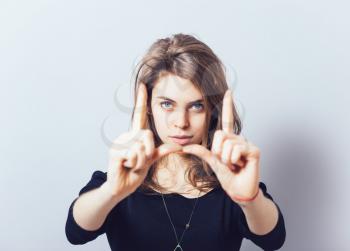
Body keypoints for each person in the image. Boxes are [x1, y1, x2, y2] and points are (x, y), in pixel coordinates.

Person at [65, 33, 286, 251]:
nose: (181, 122)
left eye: (197, 106)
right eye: (167, 104)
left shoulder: (232, 183)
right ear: (149, 107)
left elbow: (273, 240)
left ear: (213, 111)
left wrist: (250, 199)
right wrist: (112, 191)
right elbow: (76, 232)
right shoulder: (120, 182)